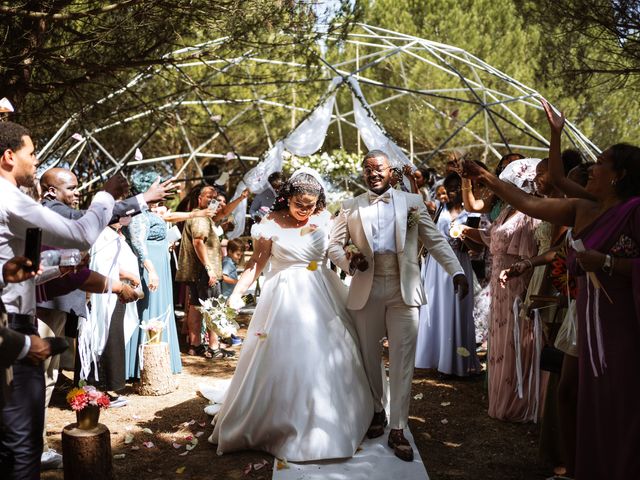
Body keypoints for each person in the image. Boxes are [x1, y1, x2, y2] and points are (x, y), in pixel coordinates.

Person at [461, 98, 640, 479]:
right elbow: (529, 198)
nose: (592, 168)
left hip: (620, 319)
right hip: (585, 315)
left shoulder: (634, 211)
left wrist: (608, 263)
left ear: (619, 175)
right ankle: (579, 468)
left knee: (616, 398)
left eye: (602, 163)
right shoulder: (582, 207)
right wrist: (489, 176)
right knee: (572, 393)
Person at [210, 168, 372, 461]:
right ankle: (279, 422)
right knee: (286, 355)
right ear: (286, 199)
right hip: (283, 295)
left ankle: (331, 419)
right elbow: (256, 264)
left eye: (310, 206)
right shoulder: (268, 224)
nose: (305, 211)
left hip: (322, 290)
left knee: (331, 352)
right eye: (300, 205)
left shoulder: (325, 219)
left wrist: (352, 261)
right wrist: (235, 296)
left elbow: (337, 252)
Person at [0, 121, 126, 480]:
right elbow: (82, 234)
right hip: (11, 327)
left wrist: (50, 266)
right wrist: (106, 195)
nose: (36, 161)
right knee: (22, 448)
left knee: (9, 445)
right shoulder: (9, 198)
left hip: (13, 317)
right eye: (32, 153)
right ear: (9, 156)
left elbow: (16, 268)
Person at [328, 150, 468, 462]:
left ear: (392, 172)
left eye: (378, 168)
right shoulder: (350, 206)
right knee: (369, 355)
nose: (372, 173)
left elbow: (435, 241)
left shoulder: (413, 204)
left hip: (405, 289)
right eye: (367, 169)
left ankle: (399, 427)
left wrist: (456, 271)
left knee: (403, 359)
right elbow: (333, 245)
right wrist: (349, 260)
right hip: (367, 285)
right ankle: (378, 409)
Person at [415, 173, 480, 376]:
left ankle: (457, 363)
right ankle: (436, 358)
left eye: (455, 187)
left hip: (459, 262)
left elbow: (475, 247)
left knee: (458, 310)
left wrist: (465, 235)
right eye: (449, 187)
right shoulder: (438, 208)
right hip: (436, 265)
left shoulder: (472, 214)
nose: (451, 191)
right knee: (436, 309)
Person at [123, 171, 183, 378]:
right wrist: (152, 271)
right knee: (148, 309)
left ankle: (161, 361)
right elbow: (139, 245)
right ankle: (139, 366)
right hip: (151, 266)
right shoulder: (138, 213)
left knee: (161, 308)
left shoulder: (148, 212)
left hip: (160, 263)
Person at [176, 185, 248, 359]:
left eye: (214, 197)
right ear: (199, 198)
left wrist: (240, 199)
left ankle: (195, 345)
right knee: (213, 308)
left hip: (196, 272)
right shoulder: (200, 218)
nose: (212, 200)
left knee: (195, 307)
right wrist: (209, 268)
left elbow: (222, 213)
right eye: (209, 196)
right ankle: (214, 348)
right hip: (204, 272)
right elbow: (198, 242)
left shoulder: (204, 216)